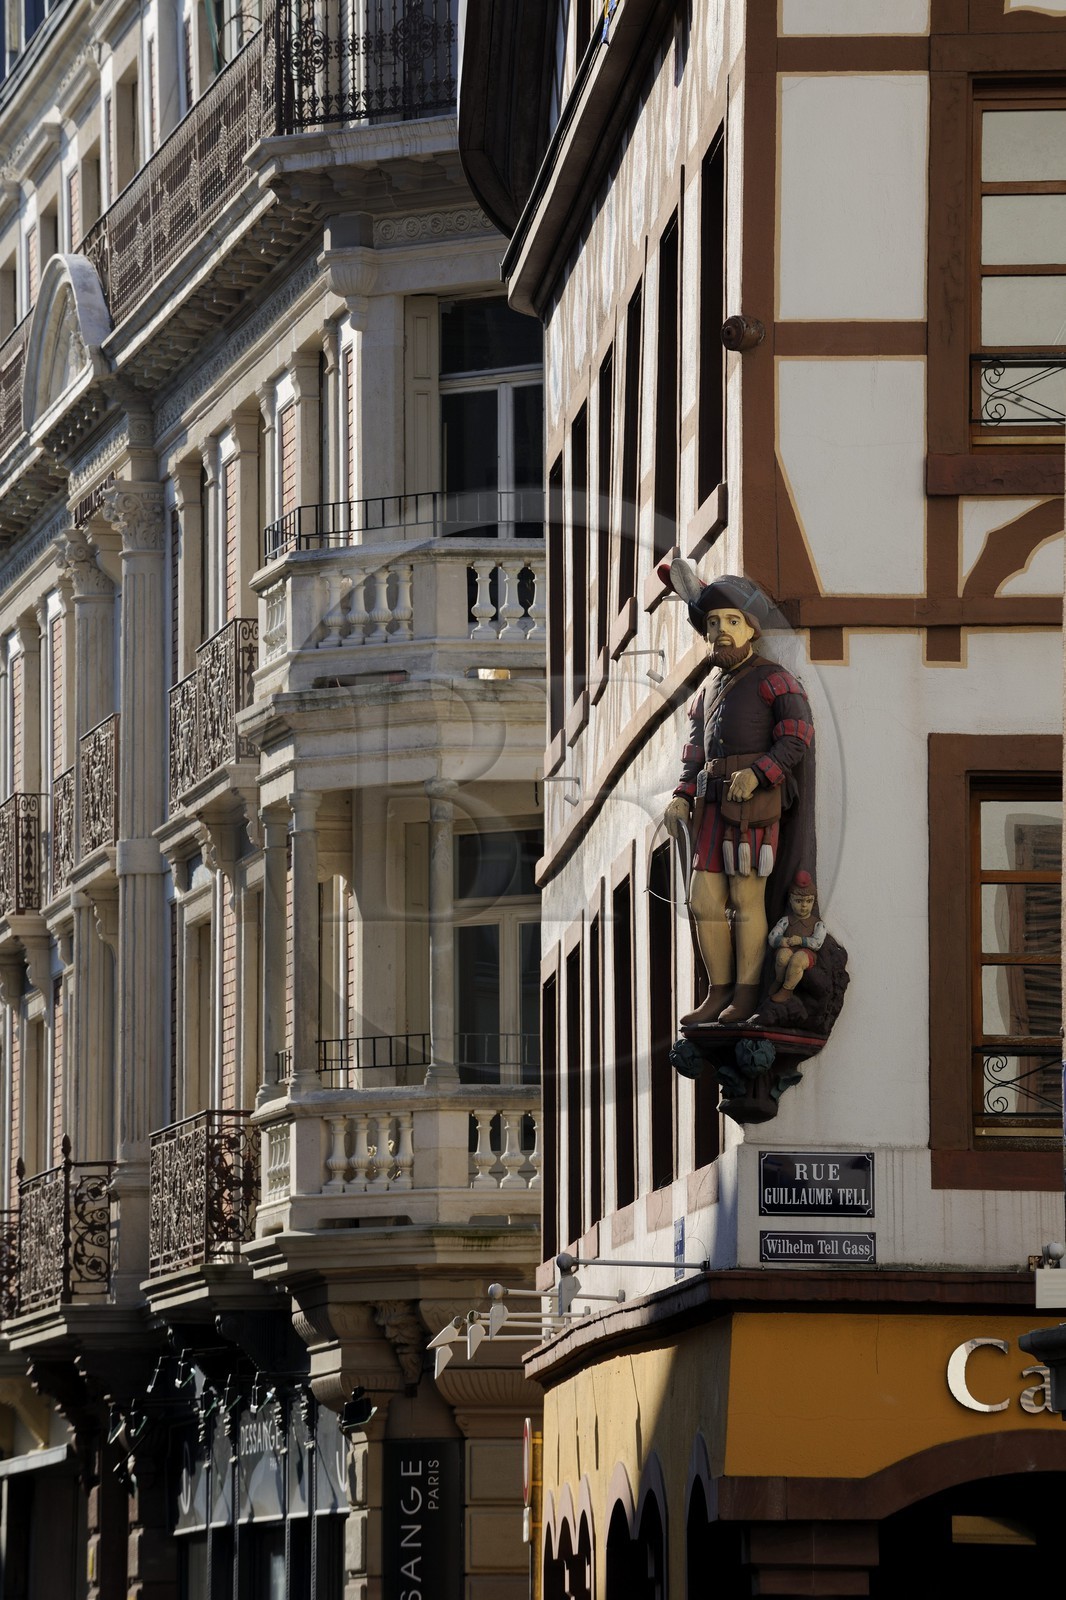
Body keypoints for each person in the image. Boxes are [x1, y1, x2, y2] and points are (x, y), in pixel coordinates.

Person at [662, 562, 814, 1026]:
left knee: (746, 902)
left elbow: (796, 736)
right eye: (713, 623)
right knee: (703, 900)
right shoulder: (705, 694)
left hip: (753, 805)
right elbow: (693, 752)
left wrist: (763, 772)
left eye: (731, 621)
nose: (721, 631)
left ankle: (747, 994)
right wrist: (682, 795)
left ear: (750, 628)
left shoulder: (774, 679)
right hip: (710, 803)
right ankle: (719, 989)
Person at [768, 870, 825, 1002]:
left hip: (806, 954)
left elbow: (817, 943)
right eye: (798, 901)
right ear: (791, 901)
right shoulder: (786, 920)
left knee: (797, 960)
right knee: (782, 957)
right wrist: (781, 940)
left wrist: (801, 940)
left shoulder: (817, 924)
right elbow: (772, 936)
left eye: (808, 901)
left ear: (813, 902)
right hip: (788, 949)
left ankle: (787, 990)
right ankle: (779, 980)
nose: (804, 906)